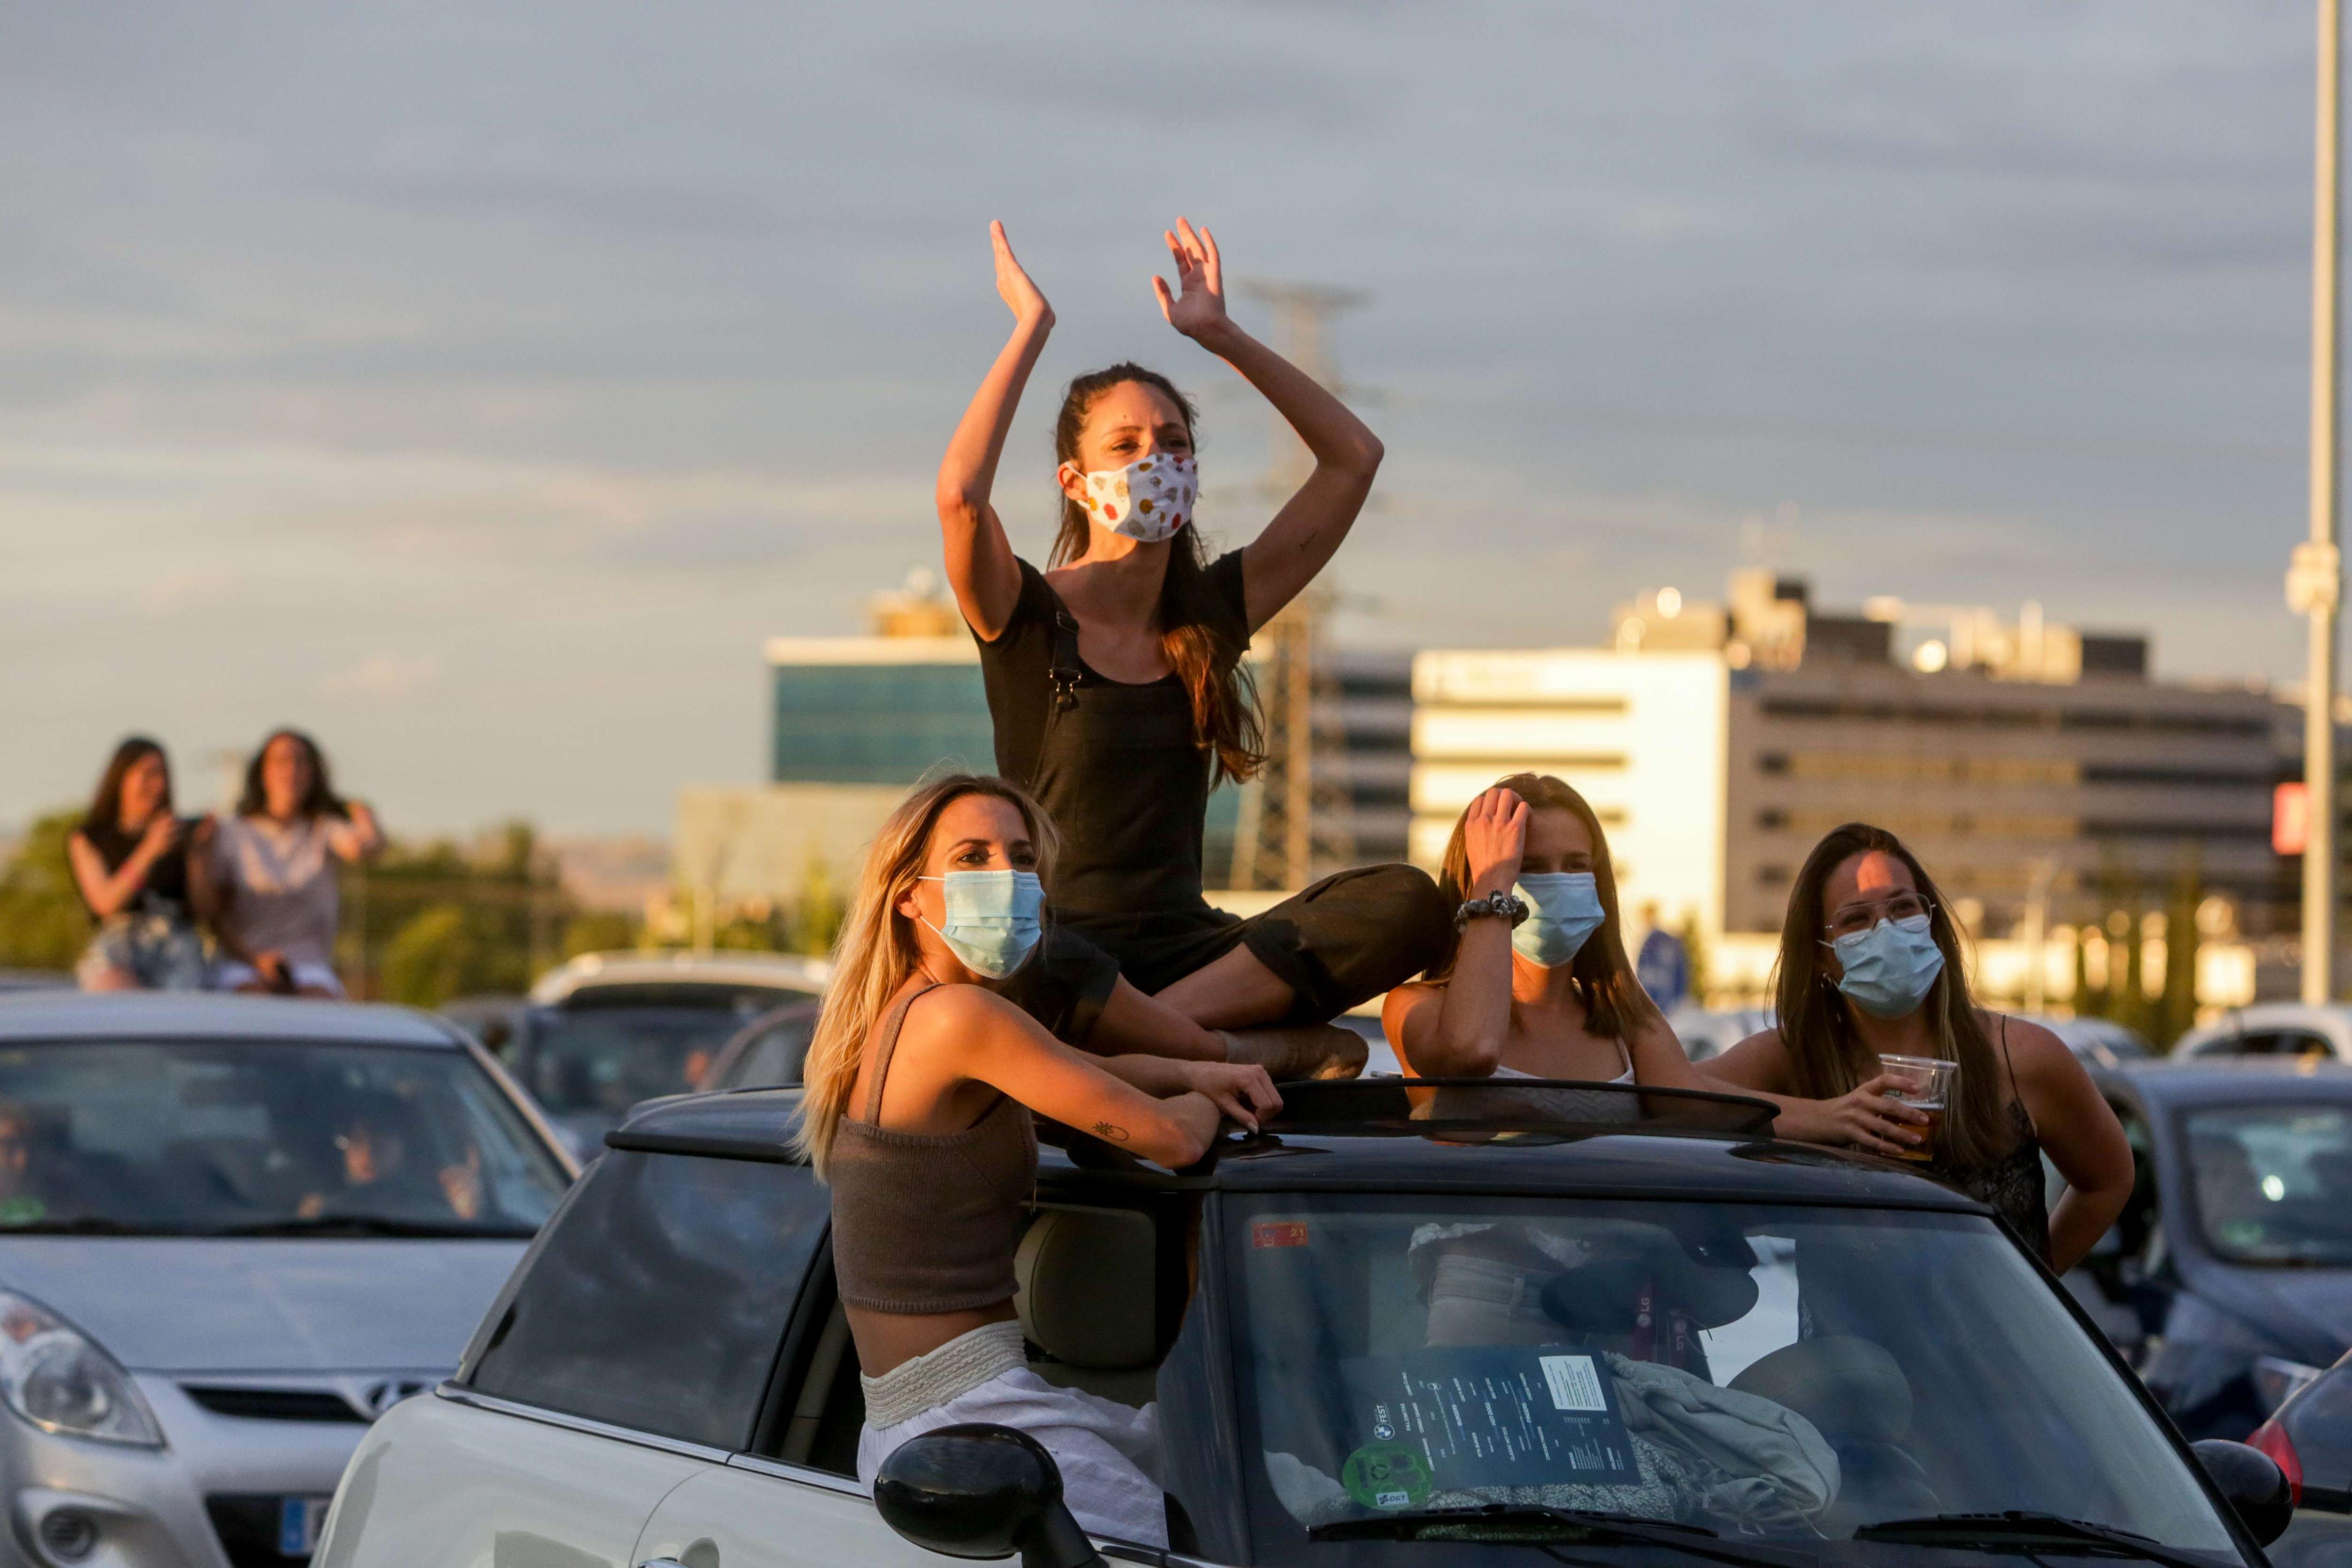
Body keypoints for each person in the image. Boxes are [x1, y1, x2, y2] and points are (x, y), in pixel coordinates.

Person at [936, 219, 1450, 1078]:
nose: (1156, 460)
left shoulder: (1208, 610)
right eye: (1126, 446)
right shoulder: (1026, 615)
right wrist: (1029, 327)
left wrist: (1220, 333)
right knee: (1024, 961)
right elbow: (958, 496)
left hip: (1190, 960)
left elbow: (1352, 458)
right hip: (1067, 957)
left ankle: (1147, 1043)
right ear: (1075, 482)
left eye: (1173, 443)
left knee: (1406, 901)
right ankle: (1214, 1054)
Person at [796, 773, 1279, 1546]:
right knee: (1216, 1537)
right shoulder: (959, 1016)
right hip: (969, 1420)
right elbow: (1174, 1141)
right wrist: (1214, 1099)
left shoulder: (913, 1014)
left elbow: (1089, 1067)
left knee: (1248, 1488)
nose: (1007, 880)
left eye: (1021, 859)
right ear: (909, 896)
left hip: (948, 1416)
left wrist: (1193, 1073)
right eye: (973, 857)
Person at [1385, 776, 1933, 1147]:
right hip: (1488, 1294)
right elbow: (1473, 1049)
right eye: (1529, 866)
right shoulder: (1416, 1007)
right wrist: (1491, 886)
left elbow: (1692, 1102)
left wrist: (1837, 1116)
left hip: (1616, 1296)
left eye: (1577, 866)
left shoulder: (1621, 1014)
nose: (1559, 883)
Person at [1705, 822, 2134, 1271]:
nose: (1886, 931)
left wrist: (2032, 1290)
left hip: (1985, 1340)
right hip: (1847, 1342)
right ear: (1820, 955)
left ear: (1930, 919)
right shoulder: (1794, 1059)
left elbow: (2109, 1179)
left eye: (1902, 908)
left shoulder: (2020, 1056)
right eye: (1856, 919)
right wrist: (1822, 1117)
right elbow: (1664, 1094)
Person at [197, 730, 383, 997]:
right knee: (251, 1002)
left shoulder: (323, 828)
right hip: (243, 963)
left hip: (309, 965)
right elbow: (211, 912)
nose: (292, 769)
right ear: (262, 771)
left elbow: (365, 847)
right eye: (281, 761)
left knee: (315, 1004)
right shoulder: (232, 832)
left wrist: (357, 809)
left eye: (301, 761)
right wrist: (255, 960)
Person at [66, 737, 208, 992]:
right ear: (121, 778)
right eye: (147, 774)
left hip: (177, 946)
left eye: (162, 775)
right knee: (118, 1000)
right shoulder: (90, 838)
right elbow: (106, 903)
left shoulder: (182, 836)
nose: (157, 785)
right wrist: (150, 850)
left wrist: (199, 852)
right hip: (120, 945)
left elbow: (204, 909)